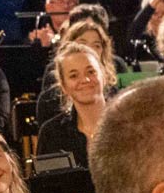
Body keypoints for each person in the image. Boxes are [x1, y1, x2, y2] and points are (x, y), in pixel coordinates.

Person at [36, 42, 110, 170]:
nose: (85, 80)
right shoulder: (52, 133)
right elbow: (48, 186)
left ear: (103, 76)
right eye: (74, 76)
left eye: (91, 72)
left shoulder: (129, 123)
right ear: (64, 86)